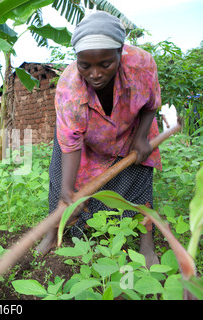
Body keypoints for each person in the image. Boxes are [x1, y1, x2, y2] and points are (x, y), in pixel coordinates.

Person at [37, 11, 162, 267]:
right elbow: (70, 143)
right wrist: (67, 190)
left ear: (120, 52)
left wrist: (140, 138)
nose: (95, 73)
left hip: (131, 129)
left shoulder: (141, 64)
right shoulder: (69, 89)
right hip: (83, 137)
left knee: (140, 186)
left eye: (105, 64)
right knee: (61, 183)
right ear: (77, 60)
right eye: (85, 65)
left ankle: (146, 243)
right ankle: (52, 234)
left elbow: (150, 104)